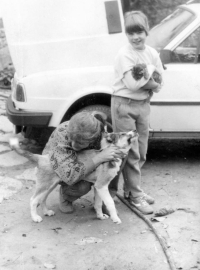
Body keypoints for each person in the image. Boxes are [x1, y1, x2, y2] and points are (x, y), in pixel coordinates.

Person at [111, 11, 164, 214]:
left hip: (143, 106)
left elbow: (160, 83)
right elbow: (132, 84)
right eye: (130, 33)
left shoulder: (151, 53)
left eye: (139, 31)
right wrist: (151, 78)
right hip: (124, 105)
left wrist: (150, 74)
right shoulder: (125, 54)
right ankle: (135, 195)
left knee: (141, 150)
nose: (135, 37)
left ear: (146, 29)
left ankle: (132, 191)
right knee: (129, 152)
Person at [42, 111, 124, 213]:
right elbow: (69, 176)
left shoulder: (98, 134)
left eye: (80, 143)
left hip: (81, 161)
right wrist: (100, 157)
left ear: (93, 139)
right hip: (59, 166)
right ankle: (66, 196)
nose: (74, 144)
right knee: (82, 187)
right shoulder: (62, 134)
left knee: (114, 156)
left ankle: (105, 199)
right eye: (72, 139)